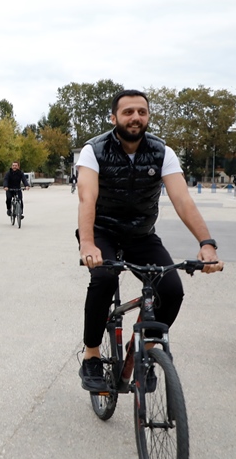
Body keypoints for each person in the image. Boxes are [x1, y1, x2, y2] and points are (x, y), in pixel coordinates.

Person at [77, 90, 223, 393]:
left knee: (171, 290)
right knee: (103, 279)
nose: (135, 117)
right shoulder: (94, 150)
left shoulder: (162, 151)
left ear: (148, 116)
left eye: (141, 112)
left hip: (141, 235)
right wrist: (88, 244)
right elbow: (86, 198)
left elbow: (183, 200)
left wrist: (206, 243)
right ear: (114, 117)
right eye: (128, 112)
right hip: (102, 230)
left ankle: (146, 350)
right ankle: (91, 354)